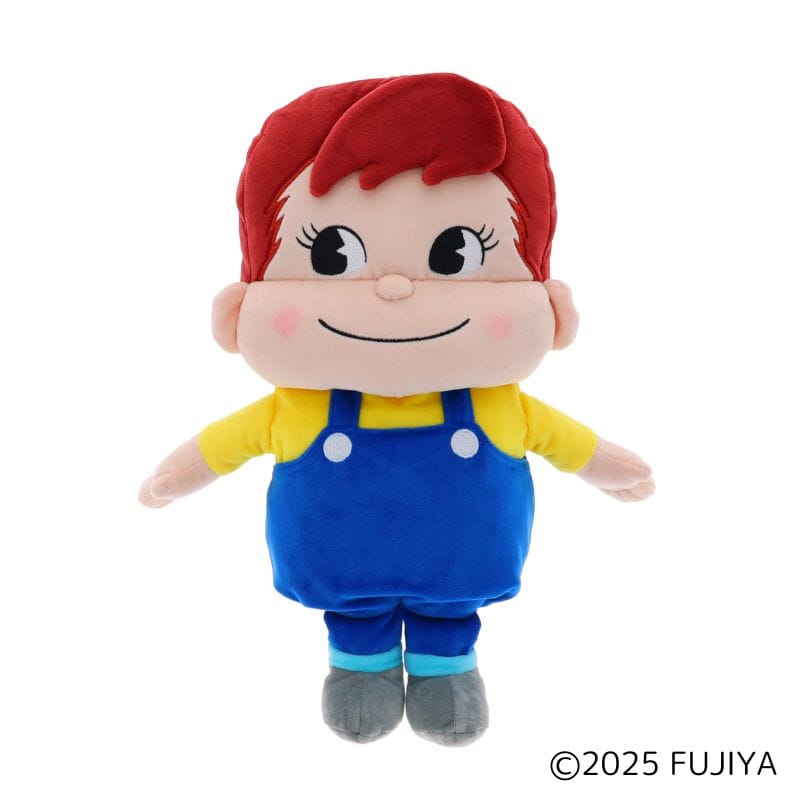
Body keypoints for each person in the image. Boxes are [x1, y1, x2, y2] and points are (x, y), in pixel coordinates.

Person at [139, 73, 654, 746]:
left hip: (456, 570)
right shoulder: (293, 406)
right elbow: (220, 445)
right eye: (332, 254)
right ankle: (359, 667)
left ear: (552, 306)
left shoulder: (501, 403)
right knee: (356, 618)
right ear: (240, 308)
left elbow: (572, 444)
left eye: (455, 253)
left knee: (450, 615)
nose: (393, 289)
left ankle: (448, 669)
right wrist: (173, 477)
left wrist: (611, 466)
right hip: (350, 576)